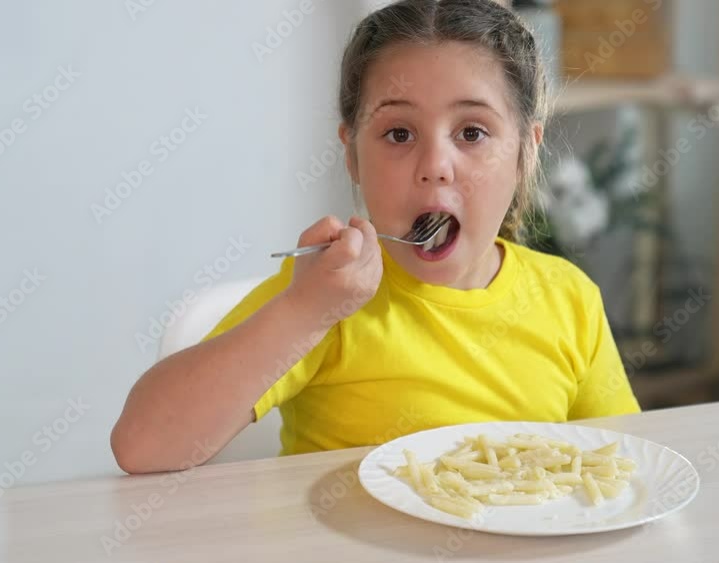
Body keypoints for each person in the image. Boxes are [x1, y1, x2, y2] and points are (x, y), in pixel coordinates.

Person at [111, 0, 640, 474]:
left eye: (472, 133)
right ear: (352, 154)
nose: (435, 166)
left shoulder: (570, 300)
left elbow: (625, 464)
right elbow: (142, 446)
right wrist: (304, 310)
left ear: (526, 152)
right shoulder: (325, 298)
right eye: (399, 133)